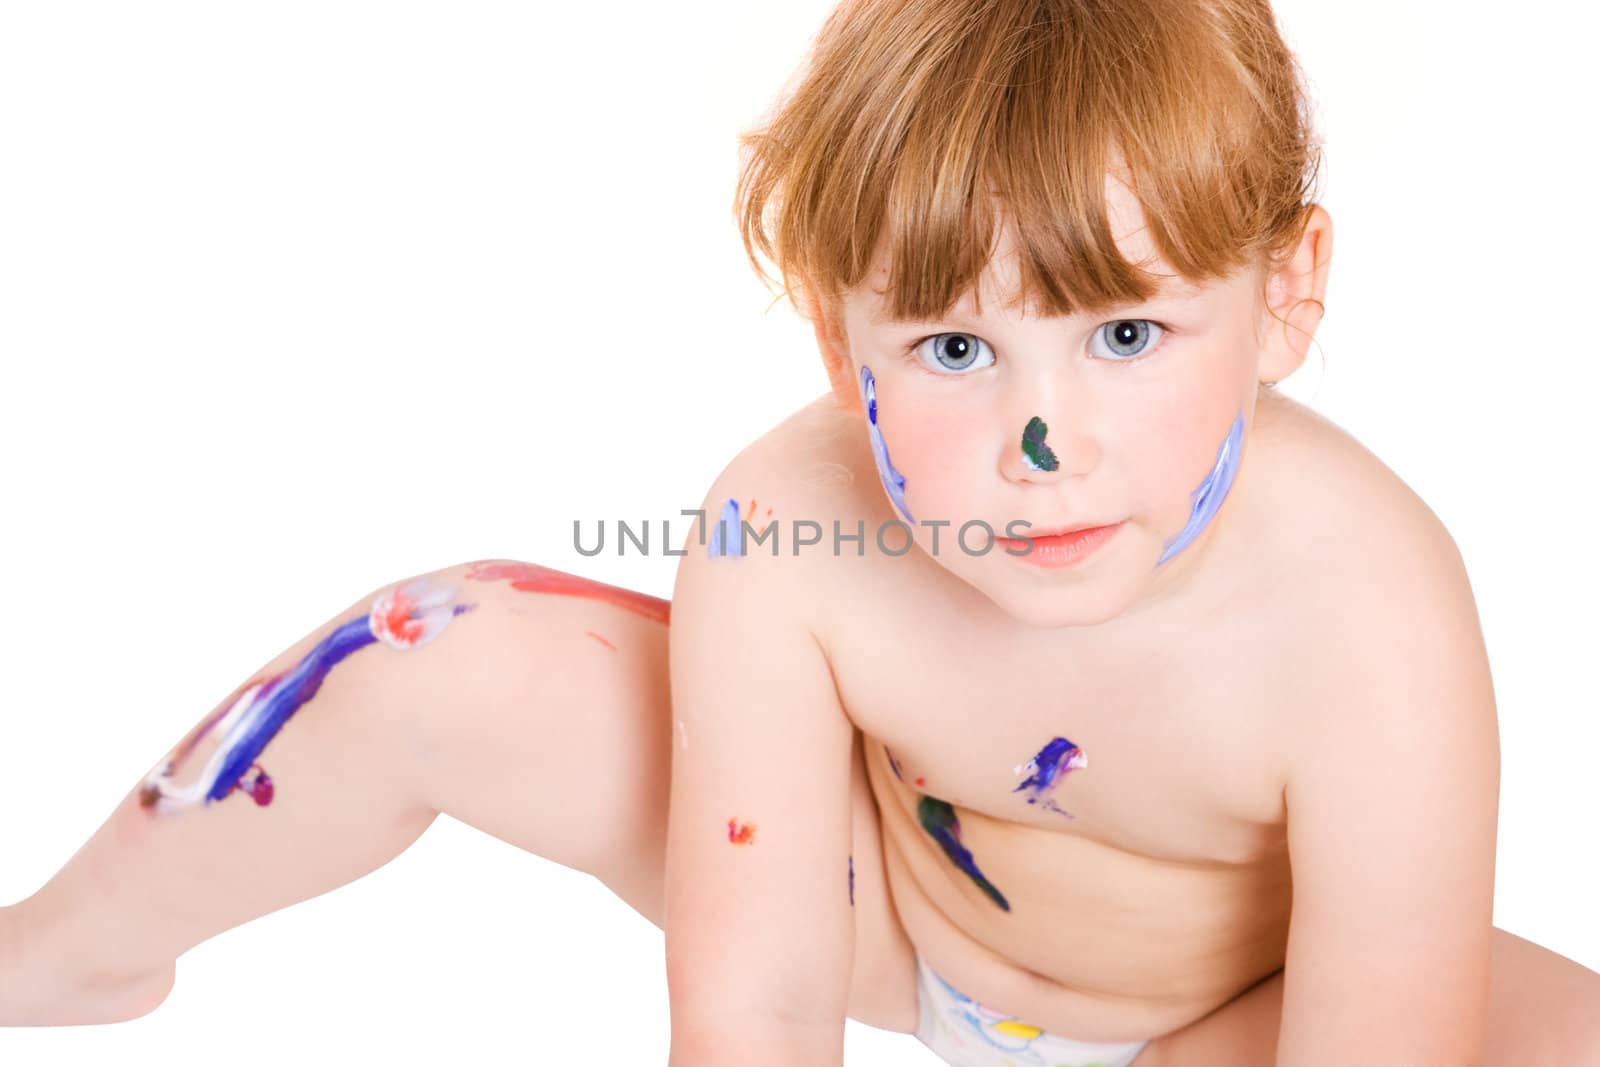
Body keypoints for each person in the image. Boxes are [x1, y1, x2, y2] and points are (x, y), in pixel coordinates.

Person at [3, 0, 1597, 1064]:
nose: (1044, 450)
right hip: (897, 934)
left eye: (1126, 335)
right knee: (439, 649)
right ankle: (65, 949)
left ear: (1286, 299)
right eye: (955, 353)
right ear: (845, 351)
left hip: (1255, 1023)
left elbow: (1383, 1039)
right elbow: (753, 989)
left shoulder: (1366, 611)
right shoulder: (789, 522)